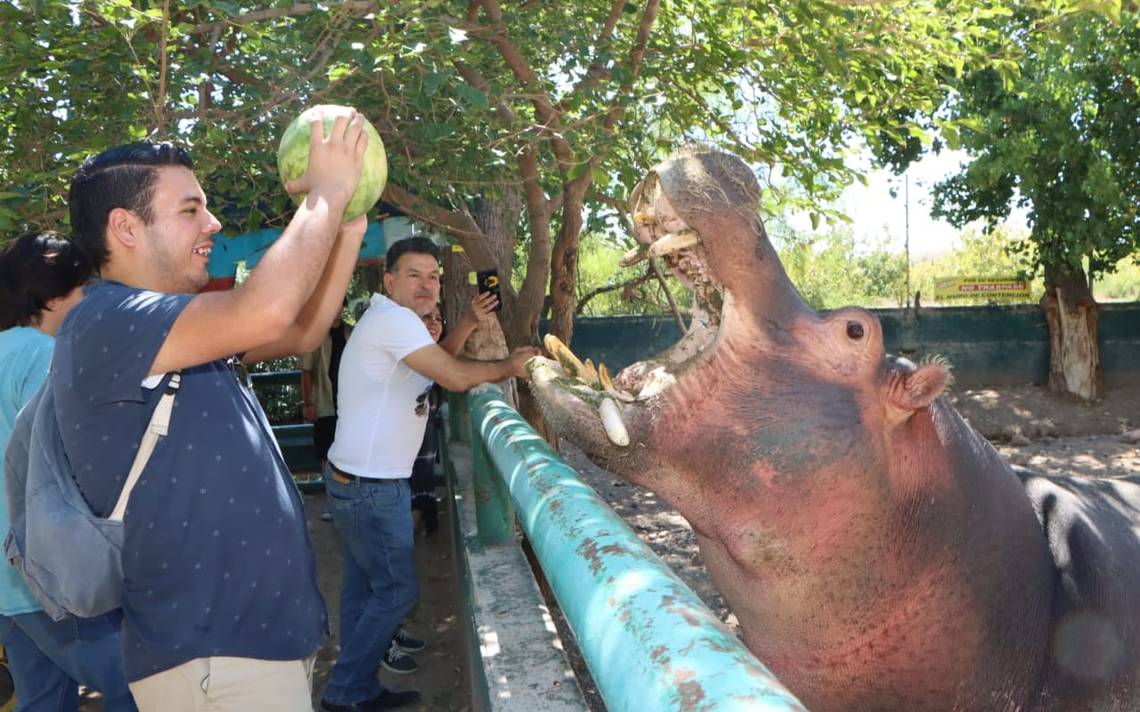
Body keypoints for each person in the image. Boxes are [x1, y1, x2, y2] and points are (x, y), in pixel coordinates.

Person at [54, 109, 369, 712]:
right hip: (212, 660)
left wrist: (348, 228)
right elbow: (267, 310)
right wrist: (326, 192)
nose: (213, 223)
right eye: (190, 209)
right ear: (125, 227)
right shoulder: (105, 321)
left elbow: (301, 330)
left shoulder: (175, 325)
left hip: (249, 651)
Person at [320, 238, 537, 712]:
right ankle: (345, 692)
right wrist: (511, 366)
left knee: (363, 591)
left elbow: (434, 368)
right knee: (397, 593)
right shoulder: (394, 321)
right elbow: (456, 377)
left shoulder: (385, 320)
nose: (426, 285)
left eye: (433, 276)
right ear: (390, 280)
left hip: (354, 482)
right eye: (413, 275)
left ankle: (352, 686)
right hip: (371, 488)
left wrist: (464, 324)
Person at [0, 231, 138, 712]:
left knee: (42, 702)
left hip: (8, 584)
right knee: (139, 693)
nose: (89, 301)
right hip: (50, 577)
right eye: (84, 288)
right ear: (54, 295)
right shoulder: (45, 354)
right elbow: (73, 466)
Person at [301, 308, 351, 523]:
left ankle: (350, 501)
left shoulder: (353, 333)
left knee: (349, 452)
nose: (336, 309)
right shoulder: (315, 334)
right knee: (326, 455)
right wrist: (308, 402)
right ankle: (333, 502)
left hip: (351, 404)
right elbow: (306, 371)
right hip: (324, 402)